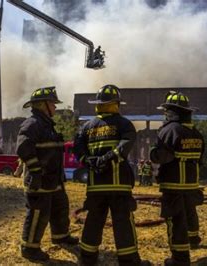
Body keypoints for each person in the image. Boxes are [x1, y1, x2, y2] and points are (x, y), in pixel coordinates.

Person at [74, 84, 150, 266]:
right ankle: (128, 261)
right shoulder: (124, 124)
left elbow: (78, 147)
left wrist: (88, 161)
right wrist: (110, 157)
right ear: (116, 104)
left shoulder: (87, 126)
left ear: (98, 104)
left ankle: (88, 259)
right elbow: (126, 144)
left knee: (93, 222)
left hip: (95, 186)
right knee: (123, 223)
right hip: (118, 186)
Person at [16, 86, 78, 262]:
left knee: (60, 208)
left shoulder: (47, 125)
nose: (55, 107)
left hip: (54, 179)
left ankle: (60, 236)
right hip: (40, 180)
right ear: (43, 105)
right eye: (52, 103)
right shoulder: (32, 124)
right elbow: (22, 148)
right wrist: (35, 171)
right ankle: (30, 248)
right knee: (38, 213)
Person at [150, 91, 205, 265]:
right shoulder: (196, 133)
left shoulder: (169, 130)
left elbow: (161, 157)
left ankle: (179, 258)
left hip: (173, 185)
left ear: (172, 112)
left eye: (167, 111)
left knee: (176, 220)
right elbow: (200, 159)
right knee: (190, 212)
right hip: (191, 184)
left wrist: (153, 153)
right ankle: (194, 239)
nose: (165, 114)